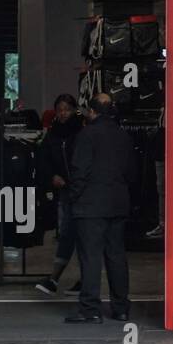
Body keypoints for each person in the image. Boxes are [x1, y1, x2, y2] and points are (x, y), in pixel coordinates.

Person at [64, 93, 133, 323]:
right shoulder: (123, 136)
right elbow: (131, 171)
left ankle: (90, 309)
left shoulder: (87, 135)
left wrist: (72, 198)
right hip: (117, 203)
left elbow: (79, 171)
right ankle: (121, 308)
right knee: (116, 256)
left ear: (92, 112)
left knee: (91, 257)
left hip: (90, 206)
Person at [34, 94, 82, 296]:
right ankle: (56, 279)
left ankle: (61, 279)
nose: (63, 114)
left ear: (74, 110)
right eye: (60, 109)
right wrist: (52, 176)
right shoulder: (52, 135)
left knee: (80, 235)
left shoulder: (82, 131)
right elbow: (42, 159)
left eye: (67, 109)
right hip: (65, 192)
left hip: (83, 192)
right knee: (67, 233)